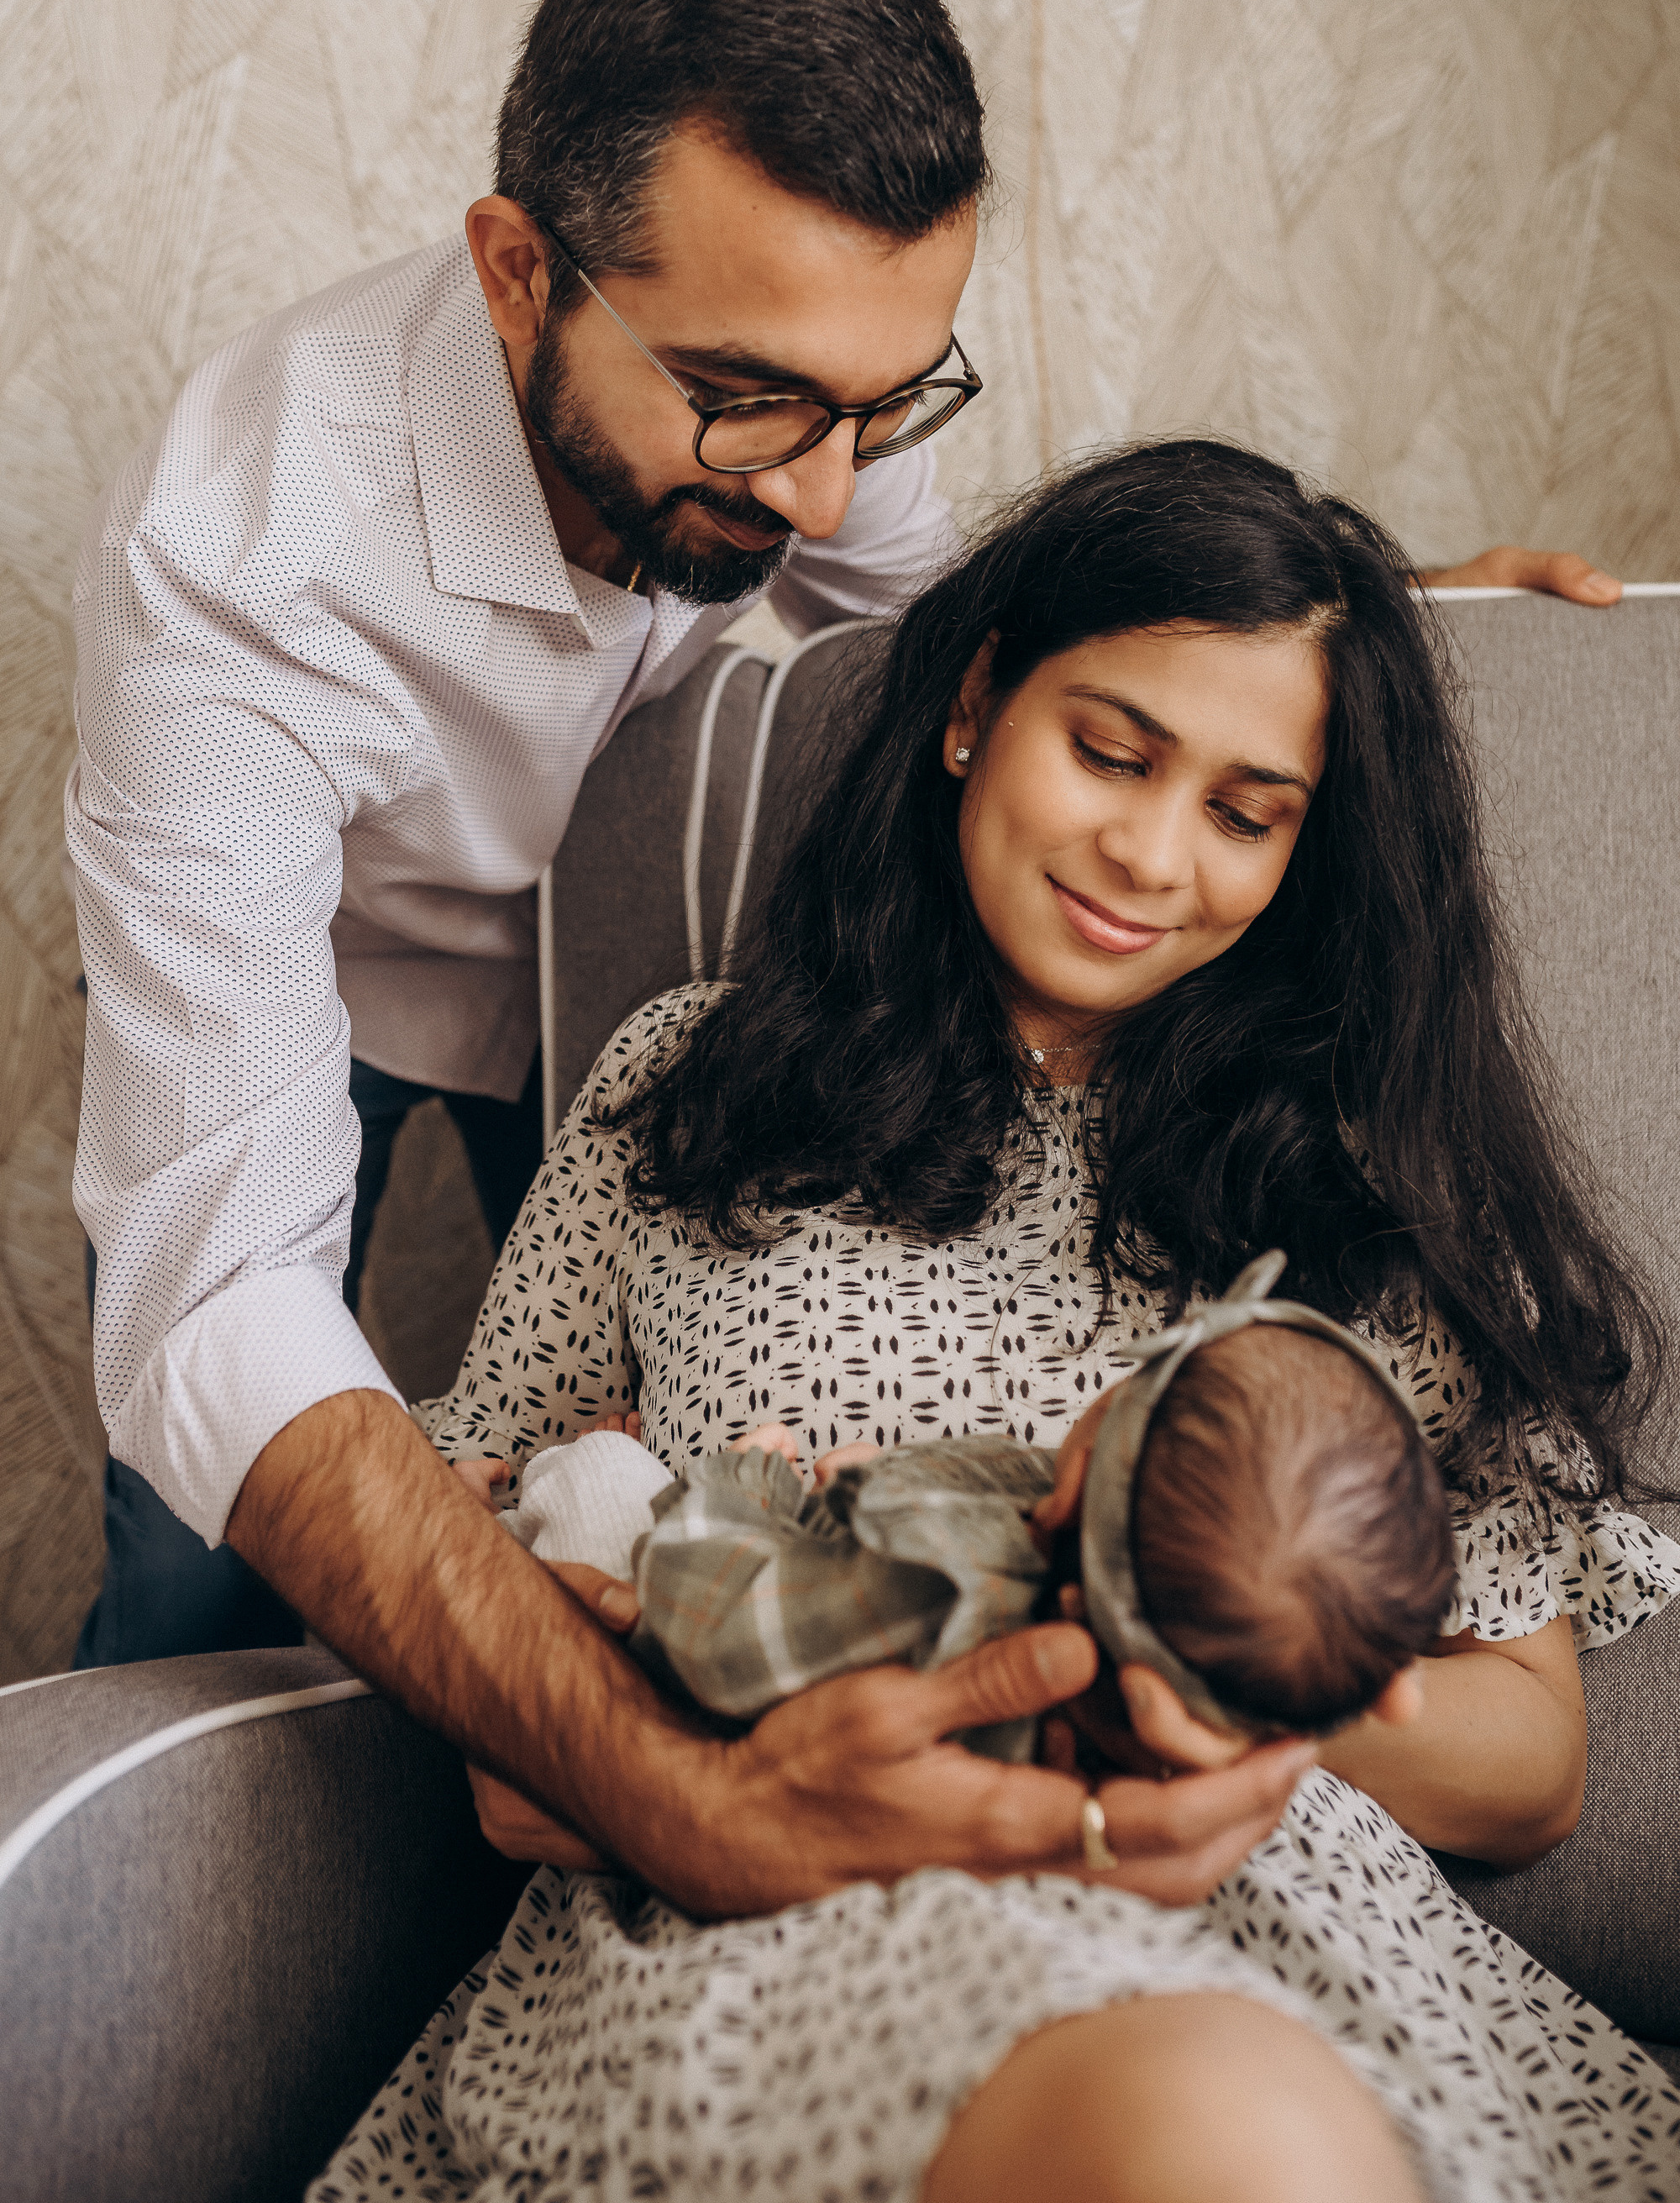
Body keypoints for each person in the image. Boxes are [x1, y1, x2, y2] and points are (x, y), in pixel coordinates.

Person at [69, 0, 1628, 1916]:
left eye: (879, 409)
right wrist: (662, 1785)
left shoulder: (821, 391)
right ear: (517, 271)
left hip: (677, 960)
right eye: (748, 405)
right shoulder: (231, 564)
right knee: (214, 1554)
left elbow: (1020, 647)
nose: (824, 495)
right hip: (363, 976)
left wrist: (1348, 624)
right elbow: (214, 1296)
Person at [311, 441, 1680, 2203]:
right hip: (771, 1911)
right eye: (1108, 750)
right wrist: (564, 1722)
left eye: (1246, 810)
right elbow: (472, 1510)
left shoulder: (1357, 1186)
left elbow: (1530, 1763)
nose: (1148, 851)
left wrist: (1171, 1657)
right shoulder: (685, 1085)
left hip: (1270, 1927)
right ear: (972, 706)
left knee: (1228, 2124)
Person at [460, 1265, 1460, 1763]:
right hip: (837, 1588)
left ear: (1082, 1480)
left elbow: (722, 1636)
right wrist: (875, 1489)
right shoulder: (1125, 1585)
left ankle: (532, 1491)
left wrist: (747, 1488)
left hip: (707, 1682)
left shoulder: (936, 1578)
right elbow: (999, 1493)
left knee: (597, 1472)